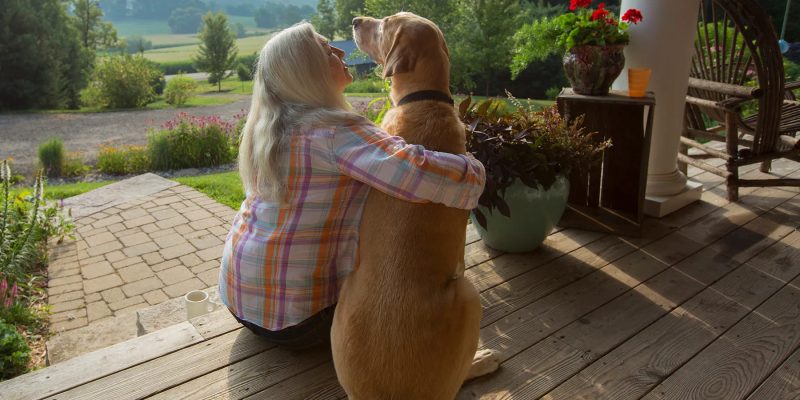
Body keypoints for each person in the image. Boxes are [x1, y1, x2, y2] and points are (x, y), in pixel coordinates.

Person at [218, 22, 485, 350]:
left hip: (238, 300)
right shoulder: (333, 132)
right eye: (329, 50)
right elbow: (419, 175)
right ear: (308, 70)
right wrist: (474, 170)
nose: (342, 52)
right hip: (299, 321)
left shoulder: (269, 128)